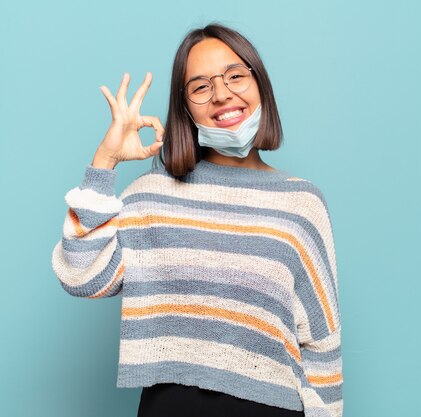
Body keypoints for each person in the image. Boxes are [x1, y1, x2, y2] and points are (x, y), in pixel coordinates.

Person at [51, 23, 343, 417]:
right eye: (201, 86)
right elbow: (81, 275)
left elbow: (322, 340)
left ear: (261, 86)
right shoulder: (151, 195)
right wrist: (105, 163)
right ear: (185, 107)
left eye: (236, 76)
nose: (222, 93)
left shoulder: (302, 202)